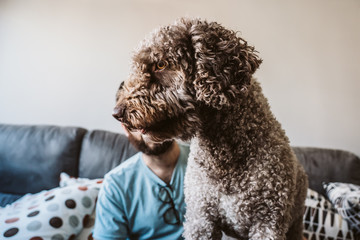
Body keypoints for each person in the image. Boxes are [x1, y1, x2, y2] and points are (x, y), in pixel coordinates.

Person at [93, 124, 189, 240]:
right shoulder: (114, 185)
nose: (148, 131)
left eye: (155, 120)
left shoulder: (205, 159)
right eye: (138, 124)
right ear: (126, 128)